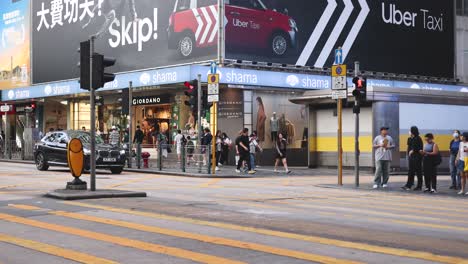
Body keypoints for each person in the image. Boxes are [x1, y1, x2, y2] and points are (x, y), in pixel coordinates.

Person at [402, 126, 423, 191]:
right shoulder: (410, 138)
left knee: (418, 172)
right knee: (411, 171)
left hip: (417, 157)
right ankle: (408, 185)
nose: (409, 132)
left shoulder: (418, 138)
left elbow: (419, 147)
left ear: (413, 131)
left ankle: (419, 186)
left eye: (410, 130)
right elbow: (409, 146)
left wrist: (413, 150)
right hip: (411, 157)